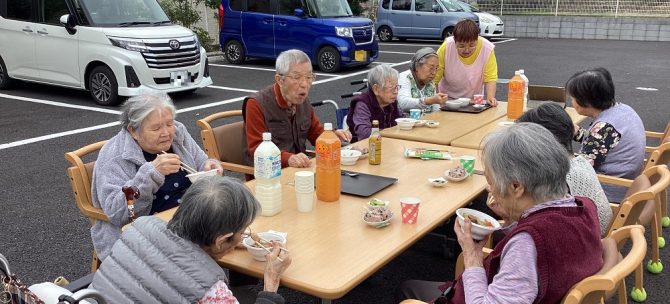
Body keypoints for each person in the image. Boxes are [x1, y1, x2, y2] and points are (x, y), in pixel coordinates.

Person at [397, 123, 603, 303]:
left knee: (408, 290)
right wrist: (513, 217)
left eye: (491, 180)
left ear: (516, 187)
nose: (490, 188)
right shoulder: (584, 206)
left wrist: (472, 256)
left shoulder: (528, 244)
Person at [90, 176, 291, 303]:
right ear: (221, 239)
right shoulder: (212, 292)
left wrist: (224, 244)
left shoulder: (138, 229)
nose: (246, 233)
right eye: (243, 230)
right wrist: (270, 284)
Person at [91, 92, 222, 261]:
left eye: (169, 123)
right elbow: (117, 212)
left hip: (189, 216)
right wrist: (151, 173)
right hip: (145, 230)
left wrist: (209, 165)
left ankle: (241, 284)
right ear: (133, 131)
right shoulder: (114, 156)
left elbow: (200, 161)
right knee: (217, 239)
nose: (166, 132)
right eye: (156, 128)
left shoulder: (178, 132)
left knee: (237, 223)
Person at [243, 49, 352, 168]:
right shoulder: (256, 104)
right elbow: (256, 149)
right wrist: (289, 158)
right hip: (269, 176)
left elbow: (317, 134)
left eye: (309, 77)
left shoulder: (303, 102)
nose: (304, 84)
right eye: (296, 77)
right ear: (280, 80)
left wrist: (333, 136)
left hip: (300, 170)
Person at [517, 103, 612, 236]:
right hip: (599, 235)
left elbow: (537, 223)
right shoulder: (581, 161)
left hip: (583, 242)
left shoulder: (556, 180)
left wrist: (508, 214)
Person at [567, 67, 645, 202]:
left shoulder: (605, 127)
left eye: (573, 98)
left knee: (546, 181)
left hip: (609, 189)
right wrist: (577, 133)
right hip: (627, 178)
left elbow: (581, 170)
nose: (571, 102)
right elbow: (601, 145)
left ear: (585, 100)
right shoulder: (622, 109)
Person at [433, 19, 498, 106]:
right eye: (461, 46)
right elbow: (434, 77)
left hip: (473, 101)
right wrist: (436, 100)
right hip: (447, 99)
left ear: (477, 39)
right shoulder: (446, 47)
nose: (467, 50)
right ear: (455, 41)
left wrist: (490, 98)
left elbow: (490, 77)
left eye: (472, 45)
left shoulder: (487, 48)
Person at [346, 64, 404, 142]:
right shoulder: (362, 104)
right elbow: (364, 134)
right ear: (376, 89)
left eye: (397, 87)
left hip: (387, 142)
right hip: (365, 147)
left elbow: (402, 120)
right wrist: (391, 132)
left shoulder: (390, 102)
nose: (396, 92)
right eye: (391, 88)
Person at [397, 47, 448, 113]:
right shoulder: (405, 77)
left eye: (436, 68)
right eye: (431, 68)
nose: (434, 73)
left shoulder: (430, 83)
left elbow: (436, 110)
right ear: (417, 66)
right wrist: (429, 101)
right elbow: (403, 103)